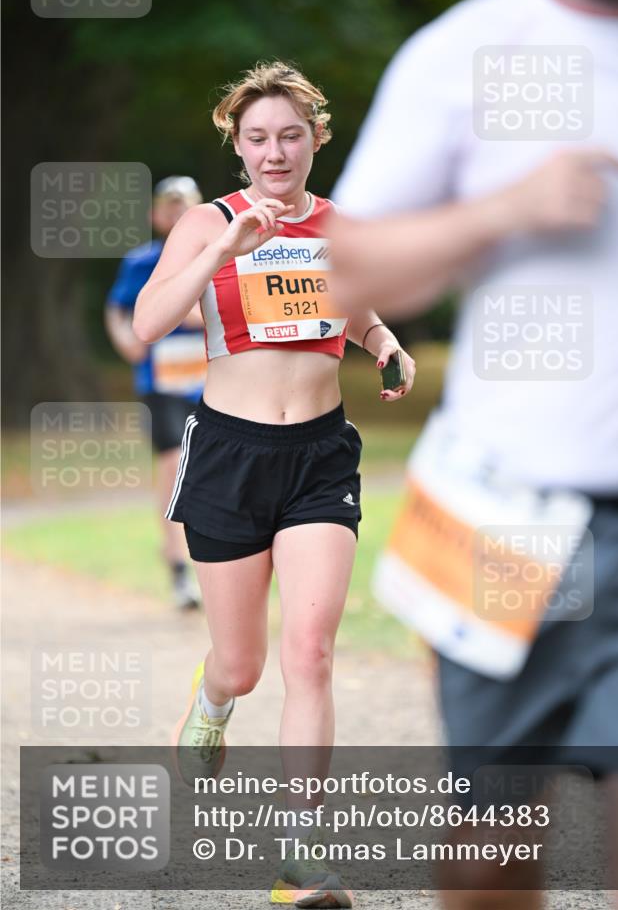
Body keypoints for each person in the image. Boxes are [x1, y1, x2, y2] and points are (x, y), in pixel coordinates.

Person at [329, 0, 618, 908]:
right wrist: (505, 211)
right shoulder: (464, 54)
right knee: (492, 852)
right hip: (499, 518)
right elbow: (338, 270)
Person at [132, 61, 415, 908]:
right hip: (228, 454)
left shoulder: (342, 226)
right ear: (238, 144)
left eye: (290, 134)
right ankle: (214, 698)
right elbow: (148, 324)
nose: (275, 150)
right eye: (257, 137)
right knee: (245, 663)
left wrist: (383, 343)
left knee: (312, 652)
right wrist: (222, 248)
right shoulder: (207, 224)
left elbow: (353, 304)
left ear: (314, 139)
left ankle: (300, 858)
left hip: (320, 458)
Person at [105, 176, 206, 609]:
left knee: (209, 470)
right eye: (169, 207)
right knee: (172, 463)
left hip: (211, 381)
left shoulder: (216, 255)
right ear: (155, 215)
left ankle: (213, 569)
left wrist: (183, 313)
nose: (177, 214)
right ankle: (178, 566)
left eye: (185, 206)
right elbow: (117, 308)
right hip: (160, 381)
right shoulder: (141, 261)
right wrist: (126, 337)